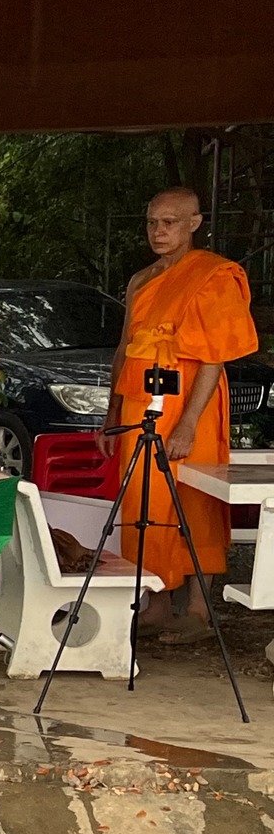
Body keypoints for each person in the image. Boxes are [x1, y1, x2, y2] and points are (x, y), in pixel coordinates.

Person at [104, 186, 259, 643]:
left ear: (194, 223)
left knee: (192, 495)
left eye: (169, 222)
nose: (159, 231)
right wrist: (112, 410)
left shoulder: (212, 275)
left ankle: (196, 609)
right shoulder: (140, 279)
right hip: (140, 399)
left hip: (192, 400)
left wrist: (189, 422)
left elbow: (214, 358)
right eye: (152, 222)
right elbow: (124, 348)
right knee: (141, 498)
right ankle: (152, 602)